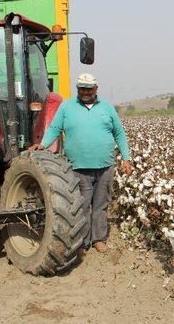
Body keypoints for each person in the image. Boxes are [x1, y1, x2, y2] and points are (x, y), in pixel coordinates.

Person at [29, 73, 133, 253]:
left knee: (101, 204)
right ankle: (83, 241)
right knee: (81, 205)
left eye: (89, 89)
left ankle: (98, 239)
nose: (85, 92)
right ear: (77, 89)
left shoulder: (107, 108)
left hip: (105, 166)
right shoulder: (67, 107)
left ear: (96, 89)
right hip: (78, 167)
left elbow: (119, 134)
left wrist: (126, 158)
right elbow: (54, 128)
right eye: (81, 88)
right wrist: (43, 144)